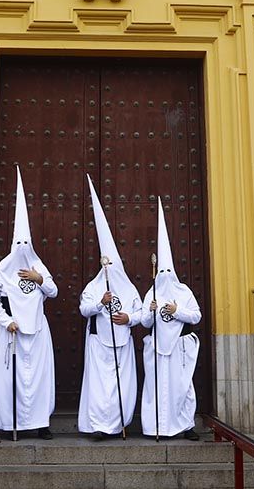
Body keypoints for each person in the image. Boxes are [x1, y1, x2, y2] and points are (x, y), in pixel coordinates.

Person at [0, 168, 57, 440]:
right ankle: (10, 422)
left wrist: (39, 278)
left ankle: (41, 423)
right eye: (19, 243)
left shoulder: (38, 266)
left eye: (26, 243)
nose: (23, 248)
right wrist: (7, 321)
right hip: (12, 332)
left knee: (39, 378)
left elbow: (53, 291)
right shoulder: (4, 269)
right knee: (10, 380)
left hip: (38, 331)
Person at [78, 176, 142, 440]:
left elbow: (141, 314)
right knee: (98, 385)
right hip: (98, 344)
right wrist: (99, 303)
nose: (109, 271)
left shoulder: (129, 289)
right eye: (106, 266)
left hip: (123, 343)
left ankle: (117, 424)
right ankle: (97, 426)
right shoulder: (94, 286)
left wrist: (129, 318)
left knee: (119, 386)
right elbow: (84, 309)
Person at [138, 199, 202, 440]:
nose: (164, 276)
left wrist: (177, 311)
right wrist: (152, 310)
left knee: (182, 387)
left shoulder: (184, 291)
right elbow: (145, 323)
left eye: (167, 272)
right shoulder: (151, 292)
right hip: (157, 347)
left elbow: (196, 315)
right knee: (157, 386)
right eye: (160, 272)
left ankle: (186, 426)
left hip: (180, 347)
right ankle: (157, 426)